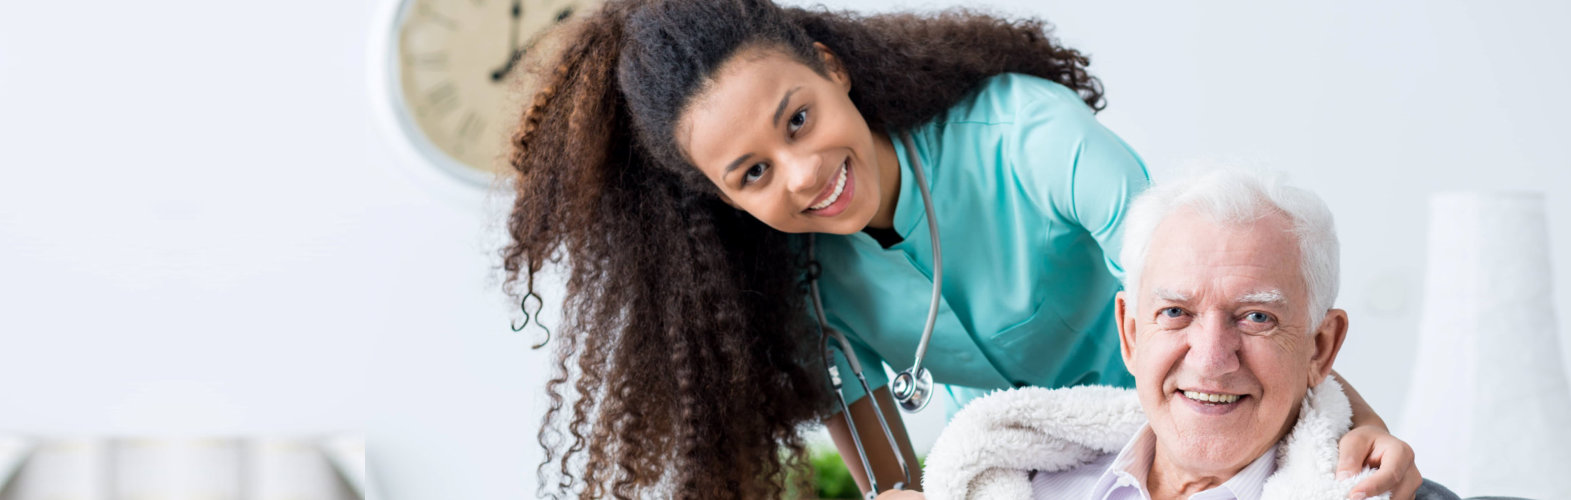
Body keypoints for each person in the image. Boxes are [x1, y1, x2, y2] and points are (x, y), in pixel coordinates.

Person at [500, 1, 1420, 498]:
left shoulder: (1029, 139)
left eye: (799, 118)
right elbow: (894, 476)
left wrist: (1364, 432)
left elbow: (1224, 306)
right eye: (752, 172)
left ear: (830, 67)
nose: (804, 171)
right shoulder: (798, 290)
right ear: (722, 197)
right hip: (1036, 473)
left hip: (1203, 431)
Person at [903, 169, 1459, 500]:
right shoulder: (1012, 477)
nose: (1213, 358)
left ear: (1320, 346)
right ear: (1129, 332)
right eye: (1176, 312)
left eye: (1256, 317)